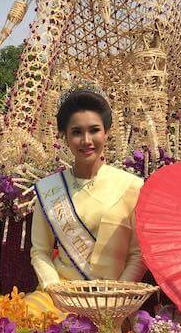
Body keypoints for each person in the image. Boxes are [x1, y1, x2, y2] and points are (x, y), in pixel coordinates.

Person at [26, 88, 146, 313]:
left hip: (114, 300)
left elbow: (138, 254)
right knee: (27, 317)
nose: (86, 140)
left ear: (107, 133)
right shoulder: (49, 190)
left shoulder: (131, 186)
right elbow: (40, 251)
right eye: (77, 132)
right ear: (65, 137)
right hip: (59, 298)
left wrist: (118, 300)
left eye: (94, 130)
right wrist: (56, 291)